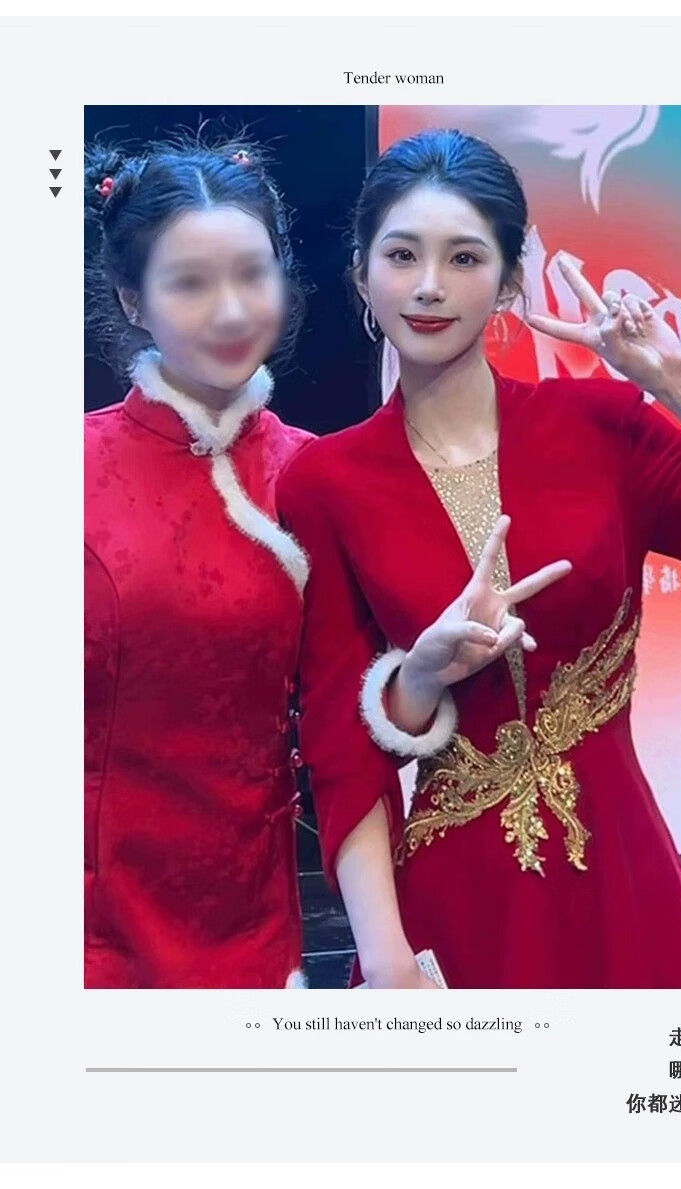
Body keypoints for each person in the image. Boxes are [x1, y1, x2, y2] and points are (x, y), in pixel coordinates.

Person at [277, 128, 681, 990]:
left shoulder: (603, 427)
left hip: (623, 880)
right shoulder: (326, 480)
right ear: (362, 275)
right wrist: (388, 961)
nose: (429, 285)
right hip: (454, 898)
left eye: (465, 257)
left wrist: (678, 383)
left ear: (510, 281)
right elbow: (338, 738)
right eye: (402, 254)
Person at [84, 138, 314, 988]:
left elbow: (348, 721)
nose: (230, 311)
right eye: (190, 283)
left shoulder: (317, 475)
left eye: (253, 275)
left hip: (251, 919)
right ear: (131, 300)